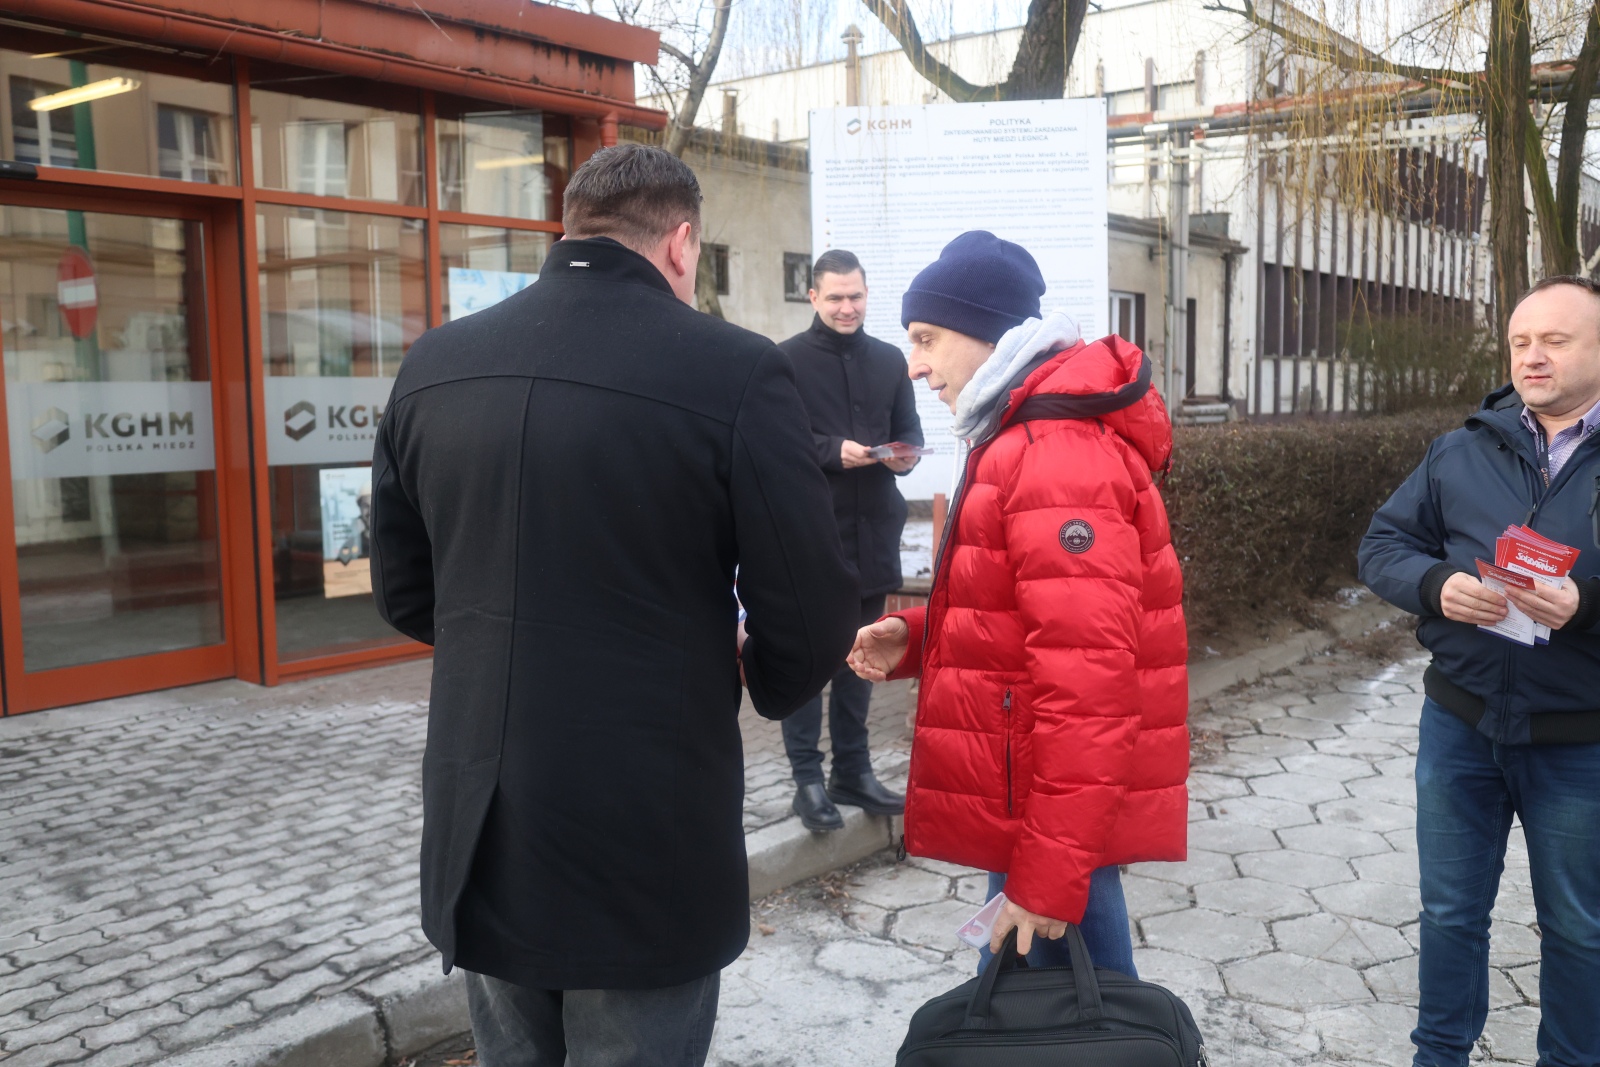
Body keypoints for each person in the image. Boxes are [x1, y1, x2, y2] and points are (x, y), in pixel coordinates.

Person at [369, 144, 858, 1067]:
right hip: (645, 828)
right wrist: (762, 670)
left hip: (484, 823)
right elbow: (813, 605)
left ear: (572, 229)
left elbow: (404, 591)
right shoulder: (735, 369)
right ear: (681, 243)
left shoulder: (435, 363)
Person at [847, 230, 1189, 976]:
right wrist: (921, 634)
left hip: (1045, 805)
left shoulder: (1055, 452)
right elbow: (1036, 621)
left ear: (988, 332)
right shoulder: (1021, 437)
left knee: (1078, 1022)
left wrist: (1048, 876)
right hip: (1031, 795)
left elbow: (1089, 688)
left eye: (927, 338)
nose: (915, 364)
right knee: (1050, 1016)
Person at [1358, 276, 1600, 1067]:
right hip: (1460, 725)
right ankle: (1439, 1057)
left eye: (1555, 340)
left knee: (1579, 927)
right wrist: (1436, 585)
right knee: (1449, 915)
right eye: (1521, 341)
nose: (1533, 356)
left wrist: (1588, 604)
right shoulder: (1462, 448)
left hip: (1581, 740)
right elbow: (1383, 545)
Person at [777, 249, 924, 832]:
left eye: (855, 296)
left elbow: (909, 433)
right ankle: (807, 781)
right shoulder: (784, 361)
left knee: (862, 659)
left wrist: (904, 457)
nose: (846, 307)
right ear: (813, 297)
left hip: (873, 534)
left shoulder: (889, 360)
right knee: (809, 661)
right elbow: (773, 443)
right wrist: (829, 451)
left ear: (867, 294)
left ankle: (853, 772)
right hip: (812, 538)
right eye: (835, 297)